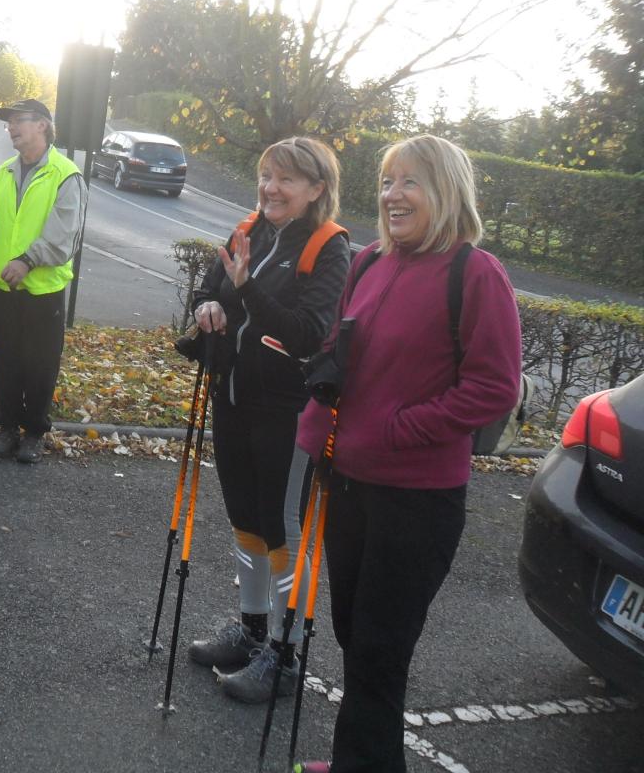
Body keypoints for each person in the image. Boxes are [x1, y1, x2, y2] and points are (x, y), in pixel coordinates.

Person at [292, 135, 521, 773]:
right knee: (351, 635)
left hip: (416, 501)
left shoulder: (474, 274)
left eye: (410, 182)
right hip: (347, 481)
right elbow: (342, 350)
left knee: (379, 651)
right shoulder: (368, 263)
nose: (393, 195)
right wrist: (318, 399)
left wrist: (400, 428)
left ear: (445, 191)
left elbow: (494, 388)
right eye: (388, 182)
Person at [185, 137, 350, 703]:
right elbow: (211, 289)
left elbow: (307, 330)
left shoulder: (330, 249)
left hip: (287, 411)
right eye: (265, 175)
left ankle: (283, 655)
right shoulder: (248, 229)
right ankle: (252, 629)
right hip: (232, 395)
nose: (270, 188)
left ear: (316, 189)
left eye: (285, 180)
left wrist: (246, 288)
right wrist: (208, 305)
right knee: (245, 518)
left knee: (283, 529)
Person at [0, 99, 87, 464]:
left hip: (43, 289)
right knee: (5, 359)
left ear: (42, 125)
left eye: (19, 121)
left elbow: (64, 234)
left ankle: (34, 431)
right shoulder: (3, 172)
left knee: (40, 364)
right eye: (8, 123)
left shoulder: (65, 175)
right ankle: (7, 427)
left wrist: (27, 261)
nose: (11, 128)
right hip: (4, 289)